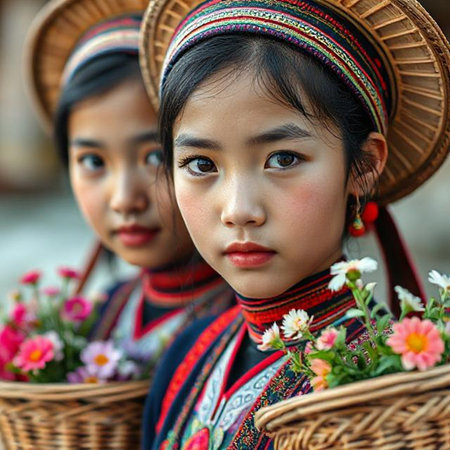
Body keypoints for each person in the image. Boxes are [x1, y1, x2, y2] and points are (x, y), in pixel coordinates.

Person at [139, 0, 449, 447]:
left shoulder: (389, 387)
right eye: (201, 163)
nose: (239, 209)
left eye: (282, 159)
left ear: (363, 166)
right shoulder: (186, 357)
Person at [25, 0, 232, 379]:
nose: (124, 199)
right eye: (93, 162)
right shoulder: (100, 313)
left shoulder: (255, 331)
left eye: (155, 157)